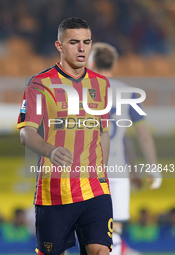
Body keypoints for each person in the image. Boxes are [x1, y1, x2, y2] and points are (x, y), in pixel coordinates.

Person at [17, 17, 113, 255]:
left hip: (95, 187)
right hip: (55, 190)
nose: (82, 48)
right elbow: (27, 134)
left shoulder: (101, 85)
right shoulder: (40, 84)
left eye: (87, 42)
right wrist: (50, 150)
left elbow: (103, 133)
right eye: (74, 42)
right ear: (59, 46)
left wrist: (101, 171)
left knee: (101, 250)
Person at [87, 42, 162, 255]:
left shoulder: (83, 92)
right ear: (114, 63)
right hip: (117, 169)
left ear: (92, 62)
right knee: (115, 227)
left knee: (94, 230)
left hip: (90, 169)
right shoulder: (129, 93)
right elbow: (143, 136)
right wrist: (152, 169)